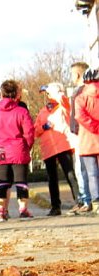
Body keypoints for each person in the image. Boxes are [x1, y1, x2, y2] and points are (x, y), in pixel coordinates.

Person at [0, 79, 35, 222]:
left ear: (2, 93)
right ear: (16, 94)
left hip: (1, 151)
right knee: (21, 182)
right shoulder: (22, 111)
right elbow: (29, 132)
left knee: (2, 182)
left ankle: (1, 212)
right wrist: (28, 146)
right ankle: (23, 210)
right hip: (19, 150)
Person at [35, 82, 80, 216]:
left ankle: (79, 201)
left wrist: (52, 89)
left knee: (70, 174)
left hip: (63, 146)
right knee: (52, 178)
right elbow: (35, 130)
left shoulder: (63, 106)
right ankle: (55, 206)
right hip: (48, 148)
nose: (47, 96)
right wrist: (43, 127)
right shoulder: (42, 112)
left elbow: (64, 100)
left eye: (48, 93)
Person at [68, 61, 93, 214]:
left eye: (72, 74)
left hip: (81, 134)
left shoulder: (80, 92)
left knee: (82, 169)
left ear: (77, 74)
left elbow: (78, 115)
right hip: (82, 132)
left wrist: (75, 128)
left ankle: (87, 199)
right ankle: (86, 199)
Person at [74, 68, 99, 215]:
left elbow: (79, 116)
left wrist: (94, 126)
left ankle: (96, 202)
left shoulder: (81, 98)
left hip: (87, 140)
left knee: (92, 174)